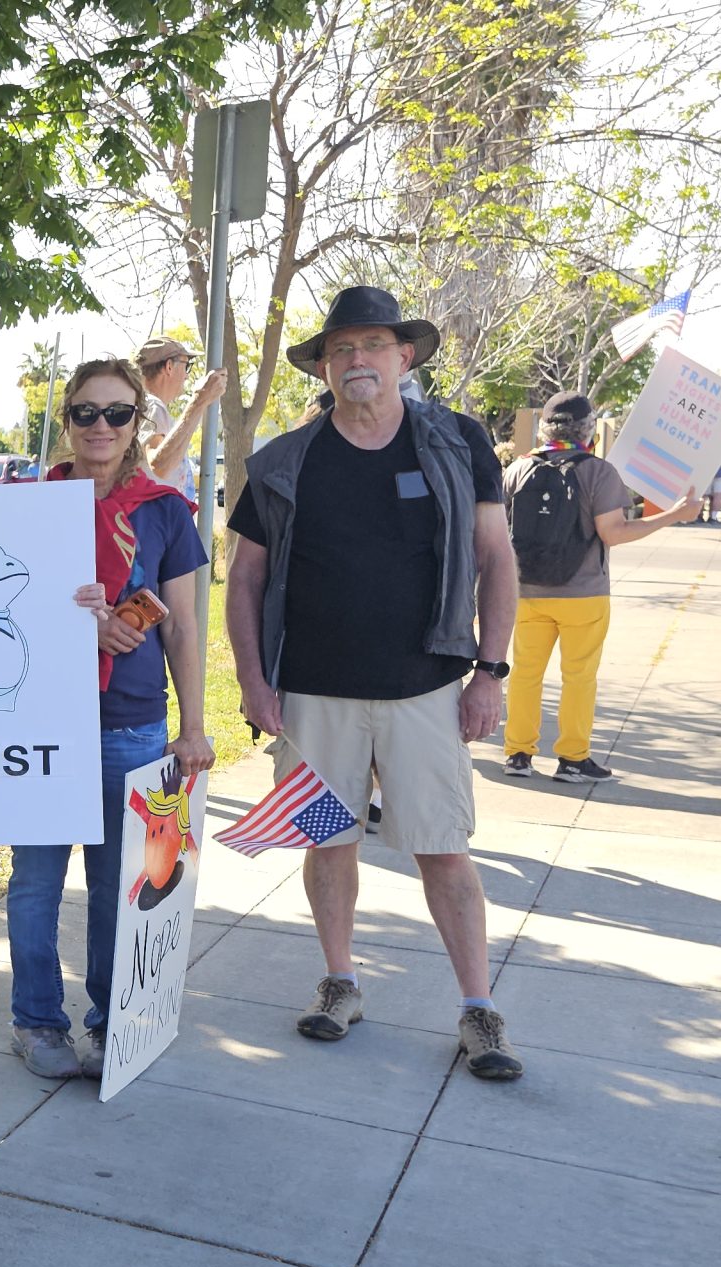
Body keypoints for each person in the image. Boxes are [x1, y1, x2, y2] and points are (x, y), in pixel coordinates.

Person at [225, 285, 525, 1082]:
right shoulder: (286, 461)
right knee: (328, 841)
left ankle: (477, 1008)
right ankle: (341, 980)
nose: (357, 360)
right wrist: (254, 682)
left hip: (425, 685)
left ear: (405, 356)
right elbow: (244, 581)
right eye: (341, 349)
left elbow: (497, 560)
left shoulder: (459, 443)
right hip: (313, 694)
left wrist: (488, 673)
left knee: (443, 849)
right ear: (324, 366)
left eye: (373, 346)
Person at [3, 359, 214, 1077]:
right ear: (66, 420)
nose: (101, 427)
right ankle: (36, 1021)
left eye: (118, 413)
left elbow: (182, 626)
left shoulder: (163, 510)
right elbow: (1, 610)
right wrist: (81, 628)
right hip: (40, 717)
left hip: (131, 723)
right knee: (35, 881)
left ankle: (109, 1021)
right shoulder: (29, 504)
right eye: (86, 413)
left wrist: (194, 727)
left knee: (120, 886)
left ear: (138, 422)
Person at [500, 392, 694, 784]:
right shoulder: (599, 472)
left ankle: (518, 754)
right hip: (583, 594)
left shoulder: (516, 470)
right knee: (579, 676)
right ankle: (572, 759)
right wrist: (674, 516)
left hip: (527, 591)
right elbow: (614, 532)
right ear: (588, 429)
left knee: (524, 673)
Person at [135, 336, 230, 490]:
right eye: (186, 366)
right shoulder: (152, 405)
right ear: (169, 366)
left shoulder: (144, 404)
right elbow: (159, 465)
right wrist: (199, 400)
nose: (187, 375)